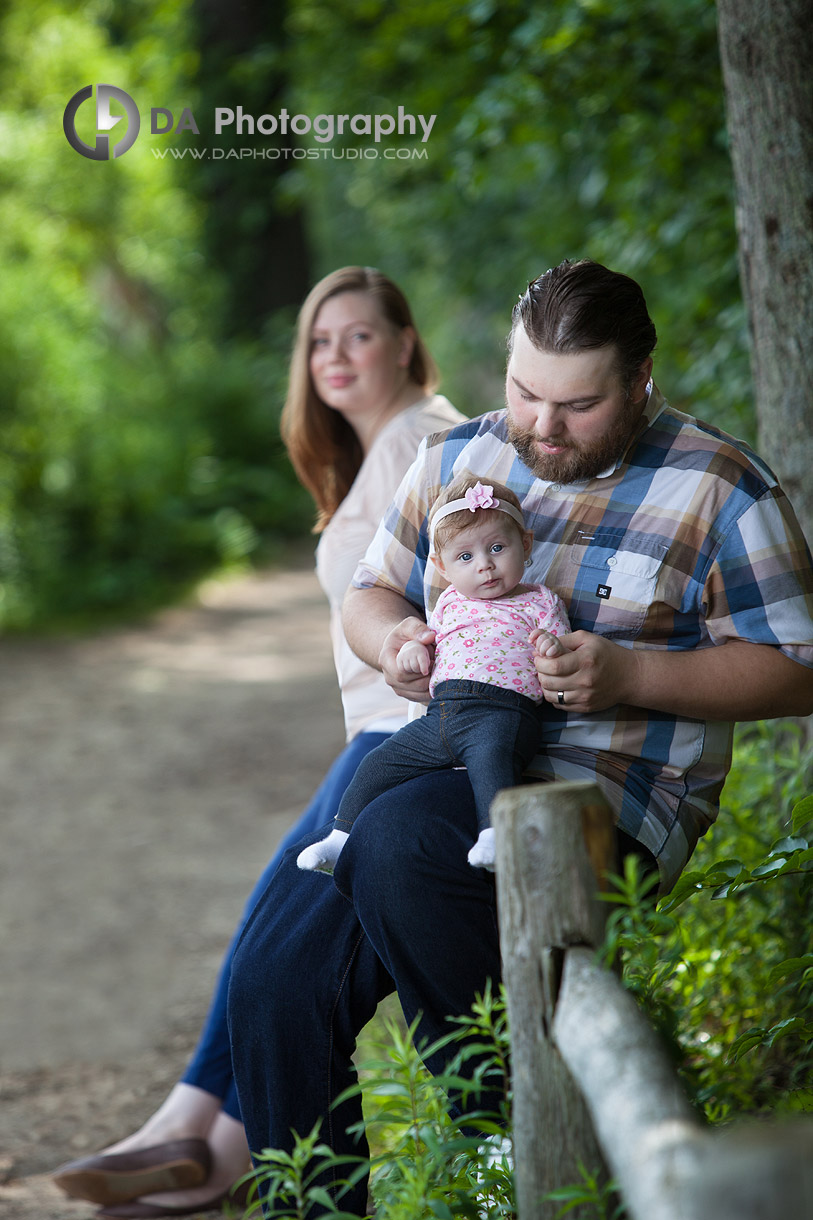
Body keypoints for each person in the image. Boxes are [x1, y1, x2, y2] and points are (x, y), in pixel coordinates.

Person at [227, 258, 813, 1218]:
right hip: (442, 752)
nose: (539, 426)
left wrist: (634, 674)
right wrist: (396, 642)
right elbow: (370, 590)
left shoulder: (721, 486)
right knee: (273, 980)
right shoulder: (460, 456)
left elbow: (795, 663)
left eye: (576, 405)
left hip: (603, 798)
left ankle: (502, 1147)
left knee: (402, 840)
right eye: (522, 390)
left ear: (640, 379)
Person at [50, 266, 462, 1219]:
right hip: (379, 732)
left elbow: (467, 581)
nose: (336, 357)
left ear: (404, 341)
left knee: (280, 929)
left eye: (358, 335)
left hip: (405, 736)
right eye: (320, 342)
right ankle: (212, 1140)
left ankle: (193, 1133)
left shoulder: (421, 437)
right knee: (276, 933)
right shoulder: (380, 447)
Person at [297, 472, 570, 876]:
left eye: (497, 548)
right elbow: (430, 641)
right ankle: (341, 838)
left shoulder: (538, 600)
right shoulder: (448, 604)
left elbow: (559, 647)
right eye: (466, 557)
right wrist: (410, 650)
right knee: (378, 763)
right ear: (441, 566)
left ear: (525, 545)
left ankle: (495, 835)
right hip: (441, 714)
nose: (485, 566)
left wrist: (551, 647)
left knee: (492, 765)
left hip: (502, 712)